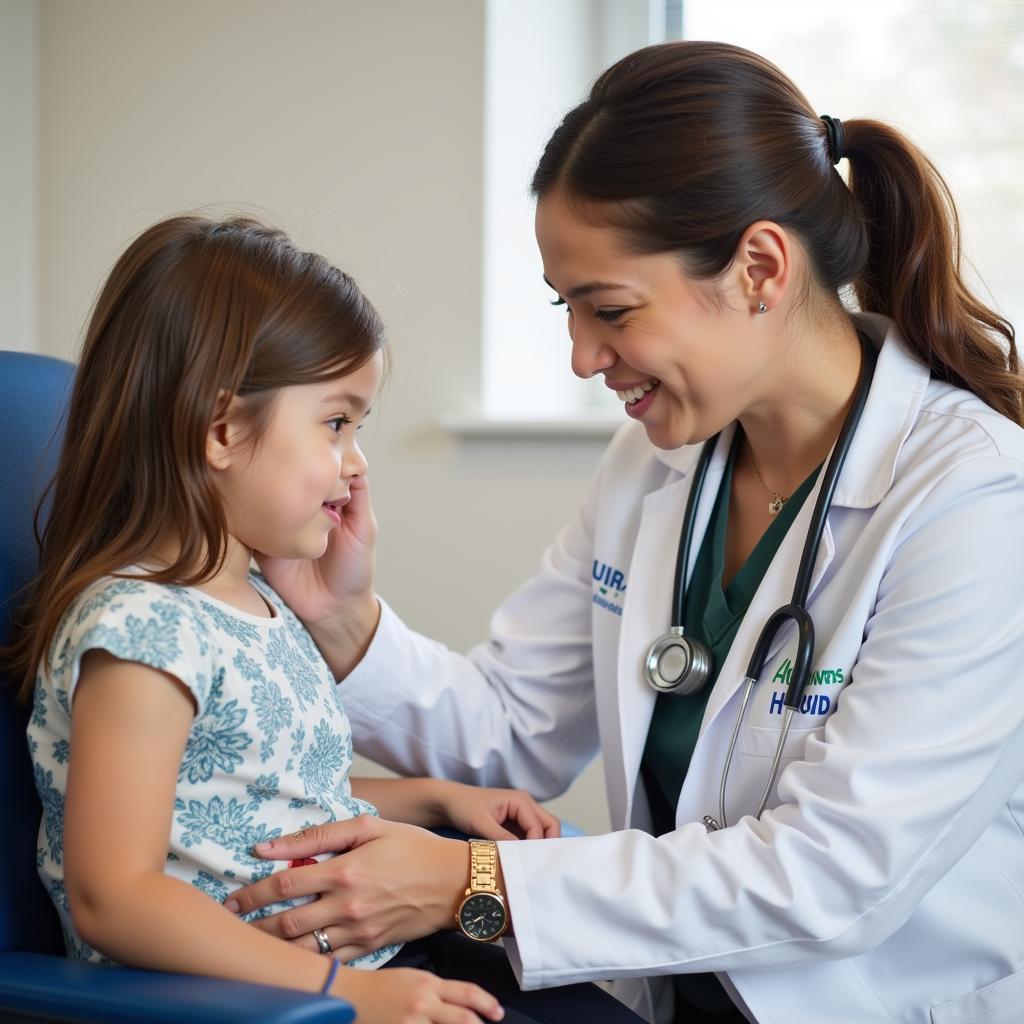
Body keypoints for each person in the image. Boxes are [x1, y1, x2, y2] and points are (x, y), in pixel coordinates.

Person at [217, 41, 1024, 1024]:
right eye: (567, 310)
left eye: (609, 310)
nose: (580, 356)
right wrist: (343, 622)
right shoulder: (658, 461)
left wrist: (473, 884)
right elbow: (512, 734)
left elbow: (836, 872)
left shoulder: (973, 500)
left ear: (760, 267)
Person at [1, 215, 643, 1024]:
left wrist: (436, 798)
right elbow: (113, 899)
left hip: (365, 963)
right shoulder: (142, 635)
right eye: (337, 423)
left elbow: (254, 793)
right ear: (224, 428)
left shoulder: (255, 602)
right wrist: (352, 996)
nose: (356, 461)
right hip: (269, 1000)